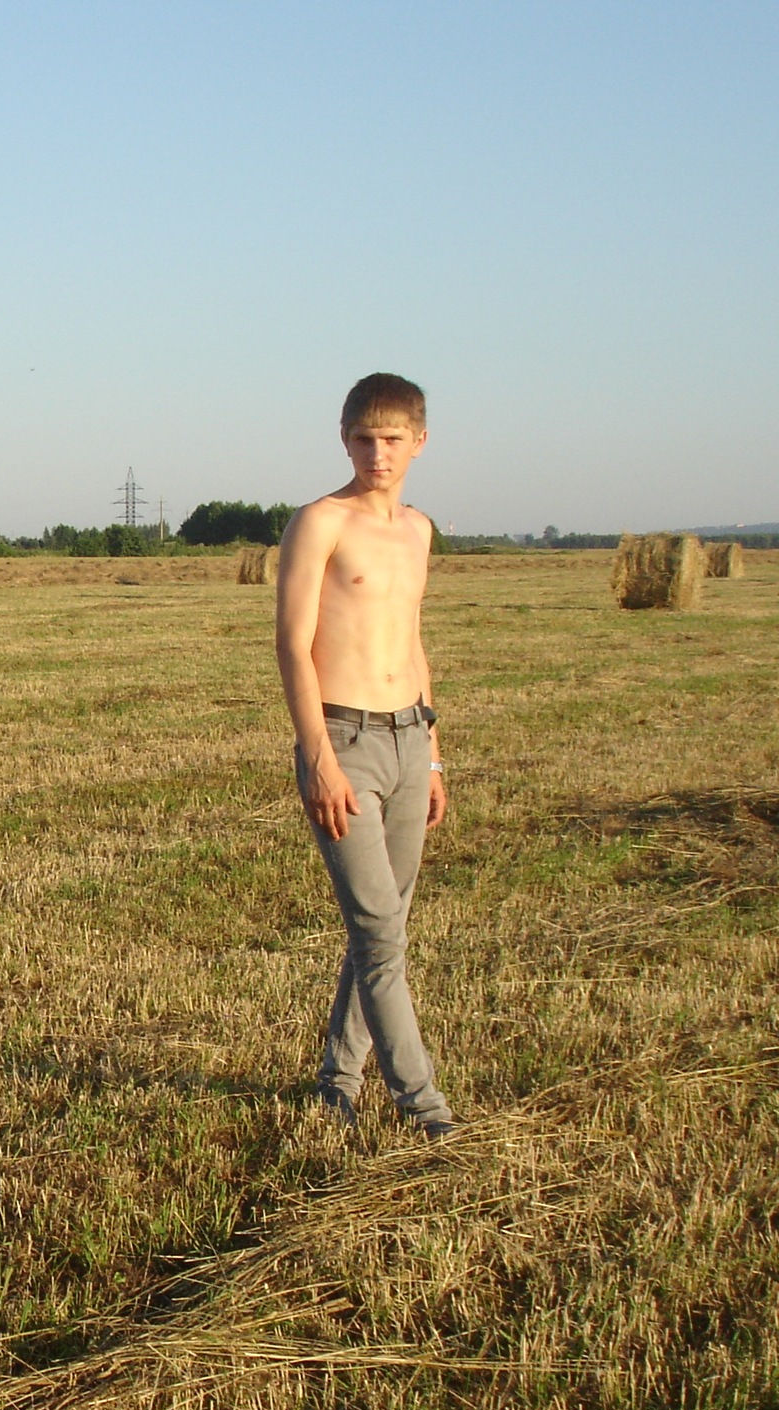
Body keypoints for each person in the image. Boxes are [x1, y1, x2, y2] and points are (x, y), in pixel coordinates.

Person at [273, 372, 457, 1139]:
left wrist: (434, 754)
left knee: (381, 928)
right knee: (381, 931)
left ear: (420, 441)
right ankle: (425, 1107)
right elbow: (292, 645)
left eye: (391, 440)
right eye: (362, 439)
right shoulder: (320, 521)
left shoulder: (419, 530)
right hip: (343, 739)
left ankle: (337, 1084)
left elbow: (411, 640)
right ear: (343, 439)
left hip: (410, 738)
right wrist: (317, 756)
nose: (377, 454)